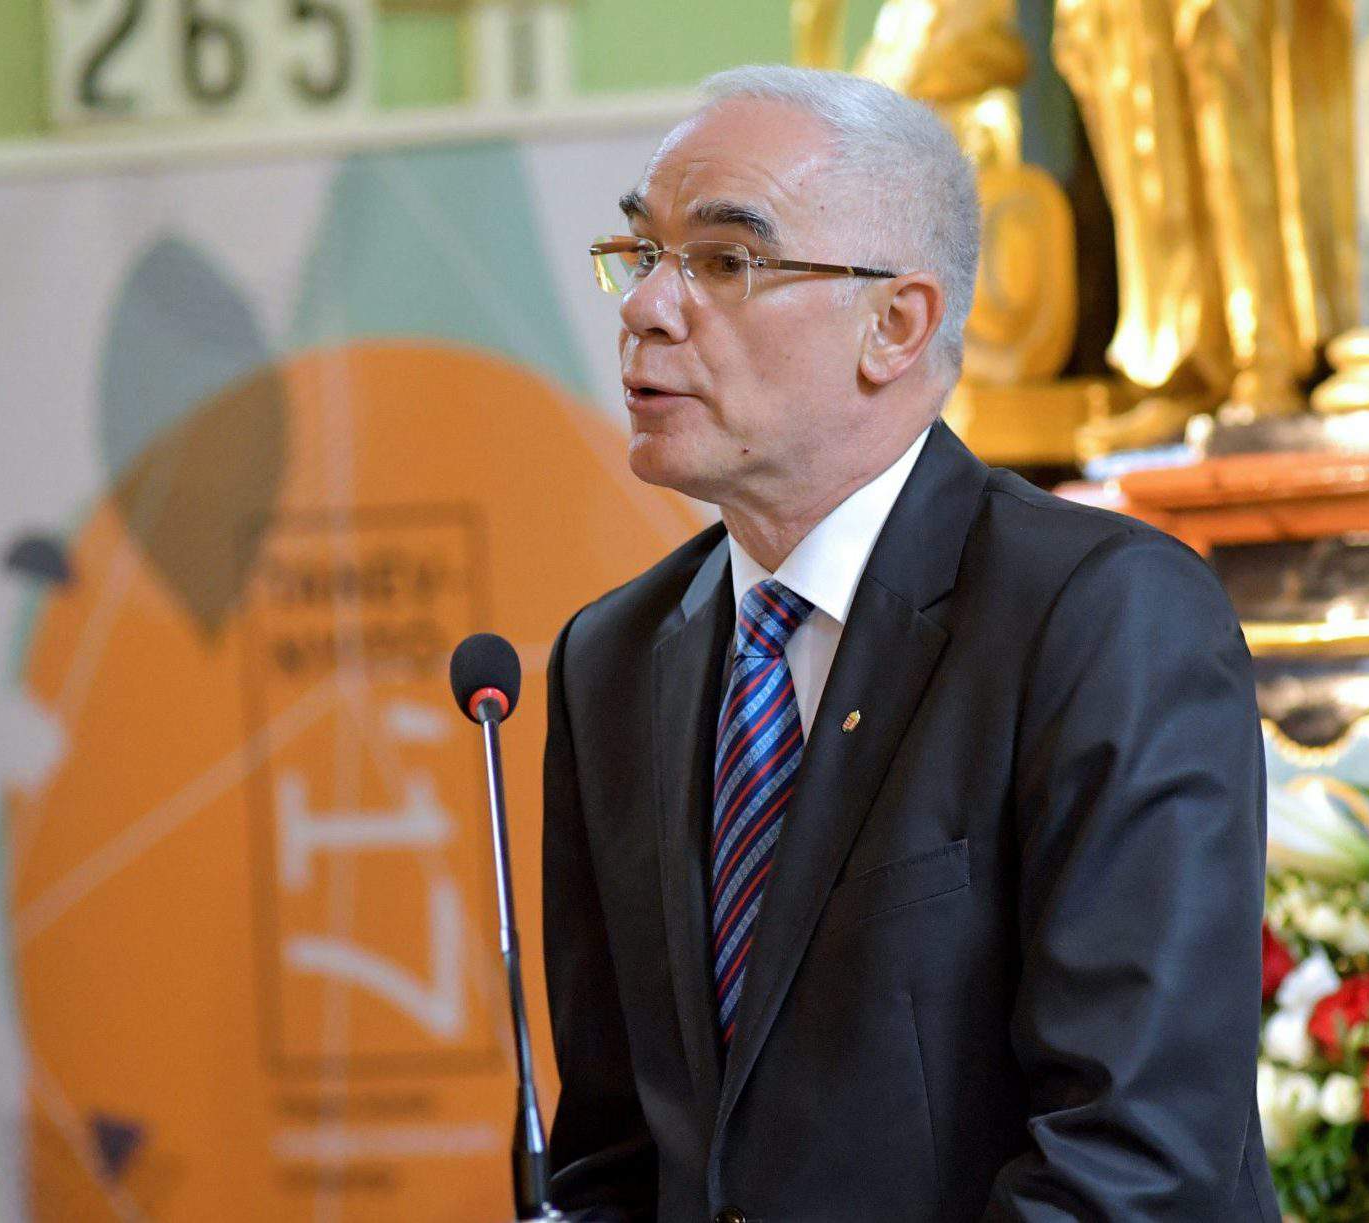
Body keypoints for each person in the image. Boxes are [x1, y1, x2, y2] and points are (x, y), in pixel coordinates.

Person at [541, 65, 1277, 1222]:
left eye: (723, 262)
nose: (646, 308)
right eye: (641, 254)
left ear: (894, 325)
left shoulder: (1100, 618)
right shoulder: (613, 657)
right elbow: (611, 1155)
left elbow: (1133, 1158)